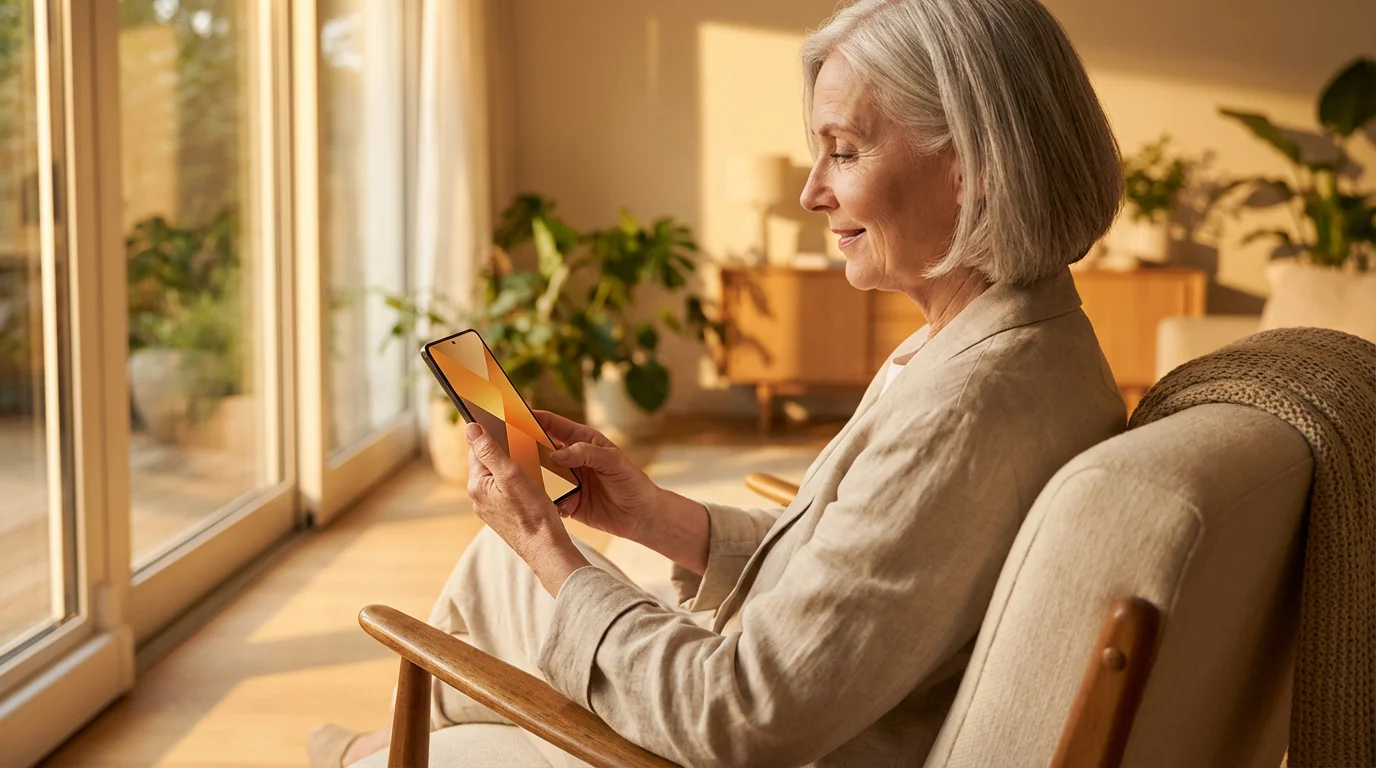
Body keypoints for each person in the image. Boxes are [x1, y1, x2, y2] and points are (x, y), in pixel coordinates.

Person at [310, 0, 1127, 764]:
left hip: (743, 734)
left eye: (842, 151)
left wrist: (544, 546)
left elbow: (746, 715)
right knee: (497, 573)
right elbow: (854, 573)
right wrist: (654, 516)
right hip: (805, 695)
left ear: (973, 168)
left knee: (516, 568)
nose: (812, 192)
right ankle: (383, 753)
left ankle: (375, 757)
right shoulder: (1018, 341)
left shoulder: (968, 411)